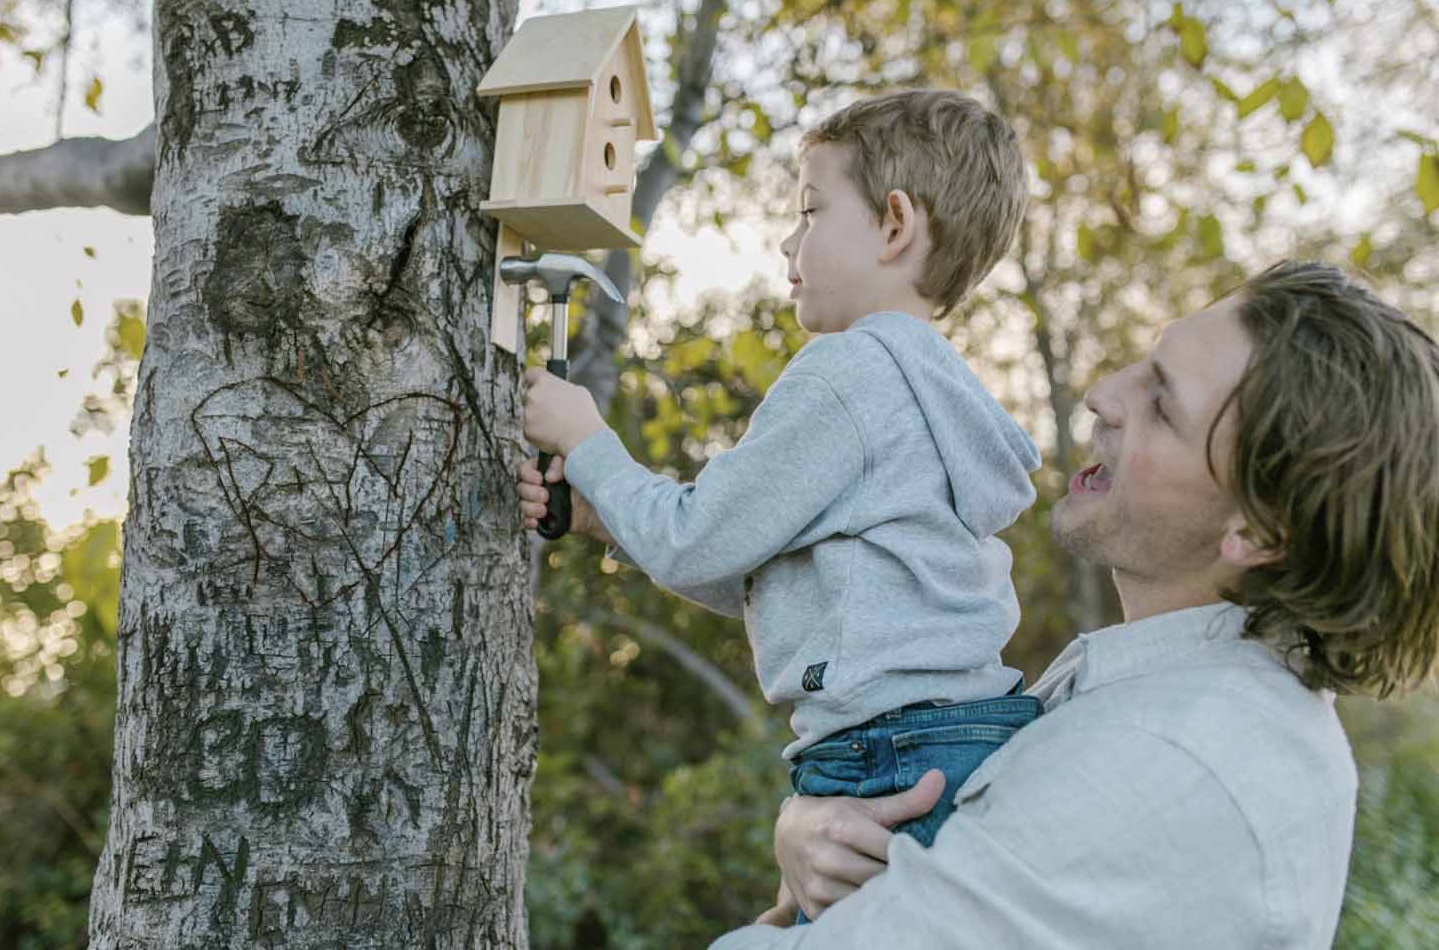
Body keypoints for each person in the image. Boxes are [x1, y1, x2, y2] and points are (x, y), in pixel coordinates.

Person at [708, 261, 1439, 949]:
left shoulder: (1167, 760)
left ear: (1259, 530)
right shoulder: (1147, 697)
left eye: (1162, 404)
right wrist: (809, 837)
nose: (1103, 394)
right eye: (1145, 364)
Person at [518, 89, 1045, 850]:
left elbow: (696, 538)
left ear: (895, 224)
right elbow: (769, 575)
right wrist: (607, 516)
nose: (786, 243)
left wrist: (586, 437)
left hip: (885, 754)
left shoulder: (849, 371)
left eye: (810, 211)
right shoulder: (929, 391)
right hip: (955, 737)